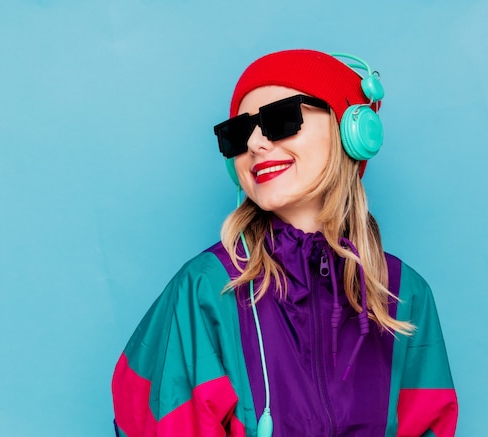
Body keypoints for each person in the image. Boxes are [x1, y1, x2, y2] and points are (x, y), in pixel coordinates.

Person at [111, 49, 458, 437]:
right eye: (239, 133)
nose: (256, 143)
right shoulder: (206, 288)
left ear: (351, 133)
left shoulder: (405, 293)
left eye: (280, 119)